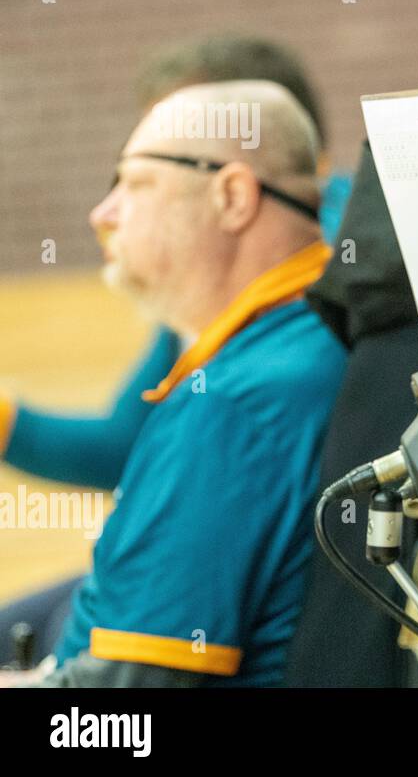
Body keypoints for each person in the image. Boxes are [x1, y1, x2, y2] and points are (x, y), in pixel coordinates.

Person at [0, 38, 350, 656]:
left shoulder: (238, 393)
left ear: (235, 195)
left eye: (139, 179)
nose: (103, 213)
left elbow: (126, 707)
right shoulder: (256, 342)